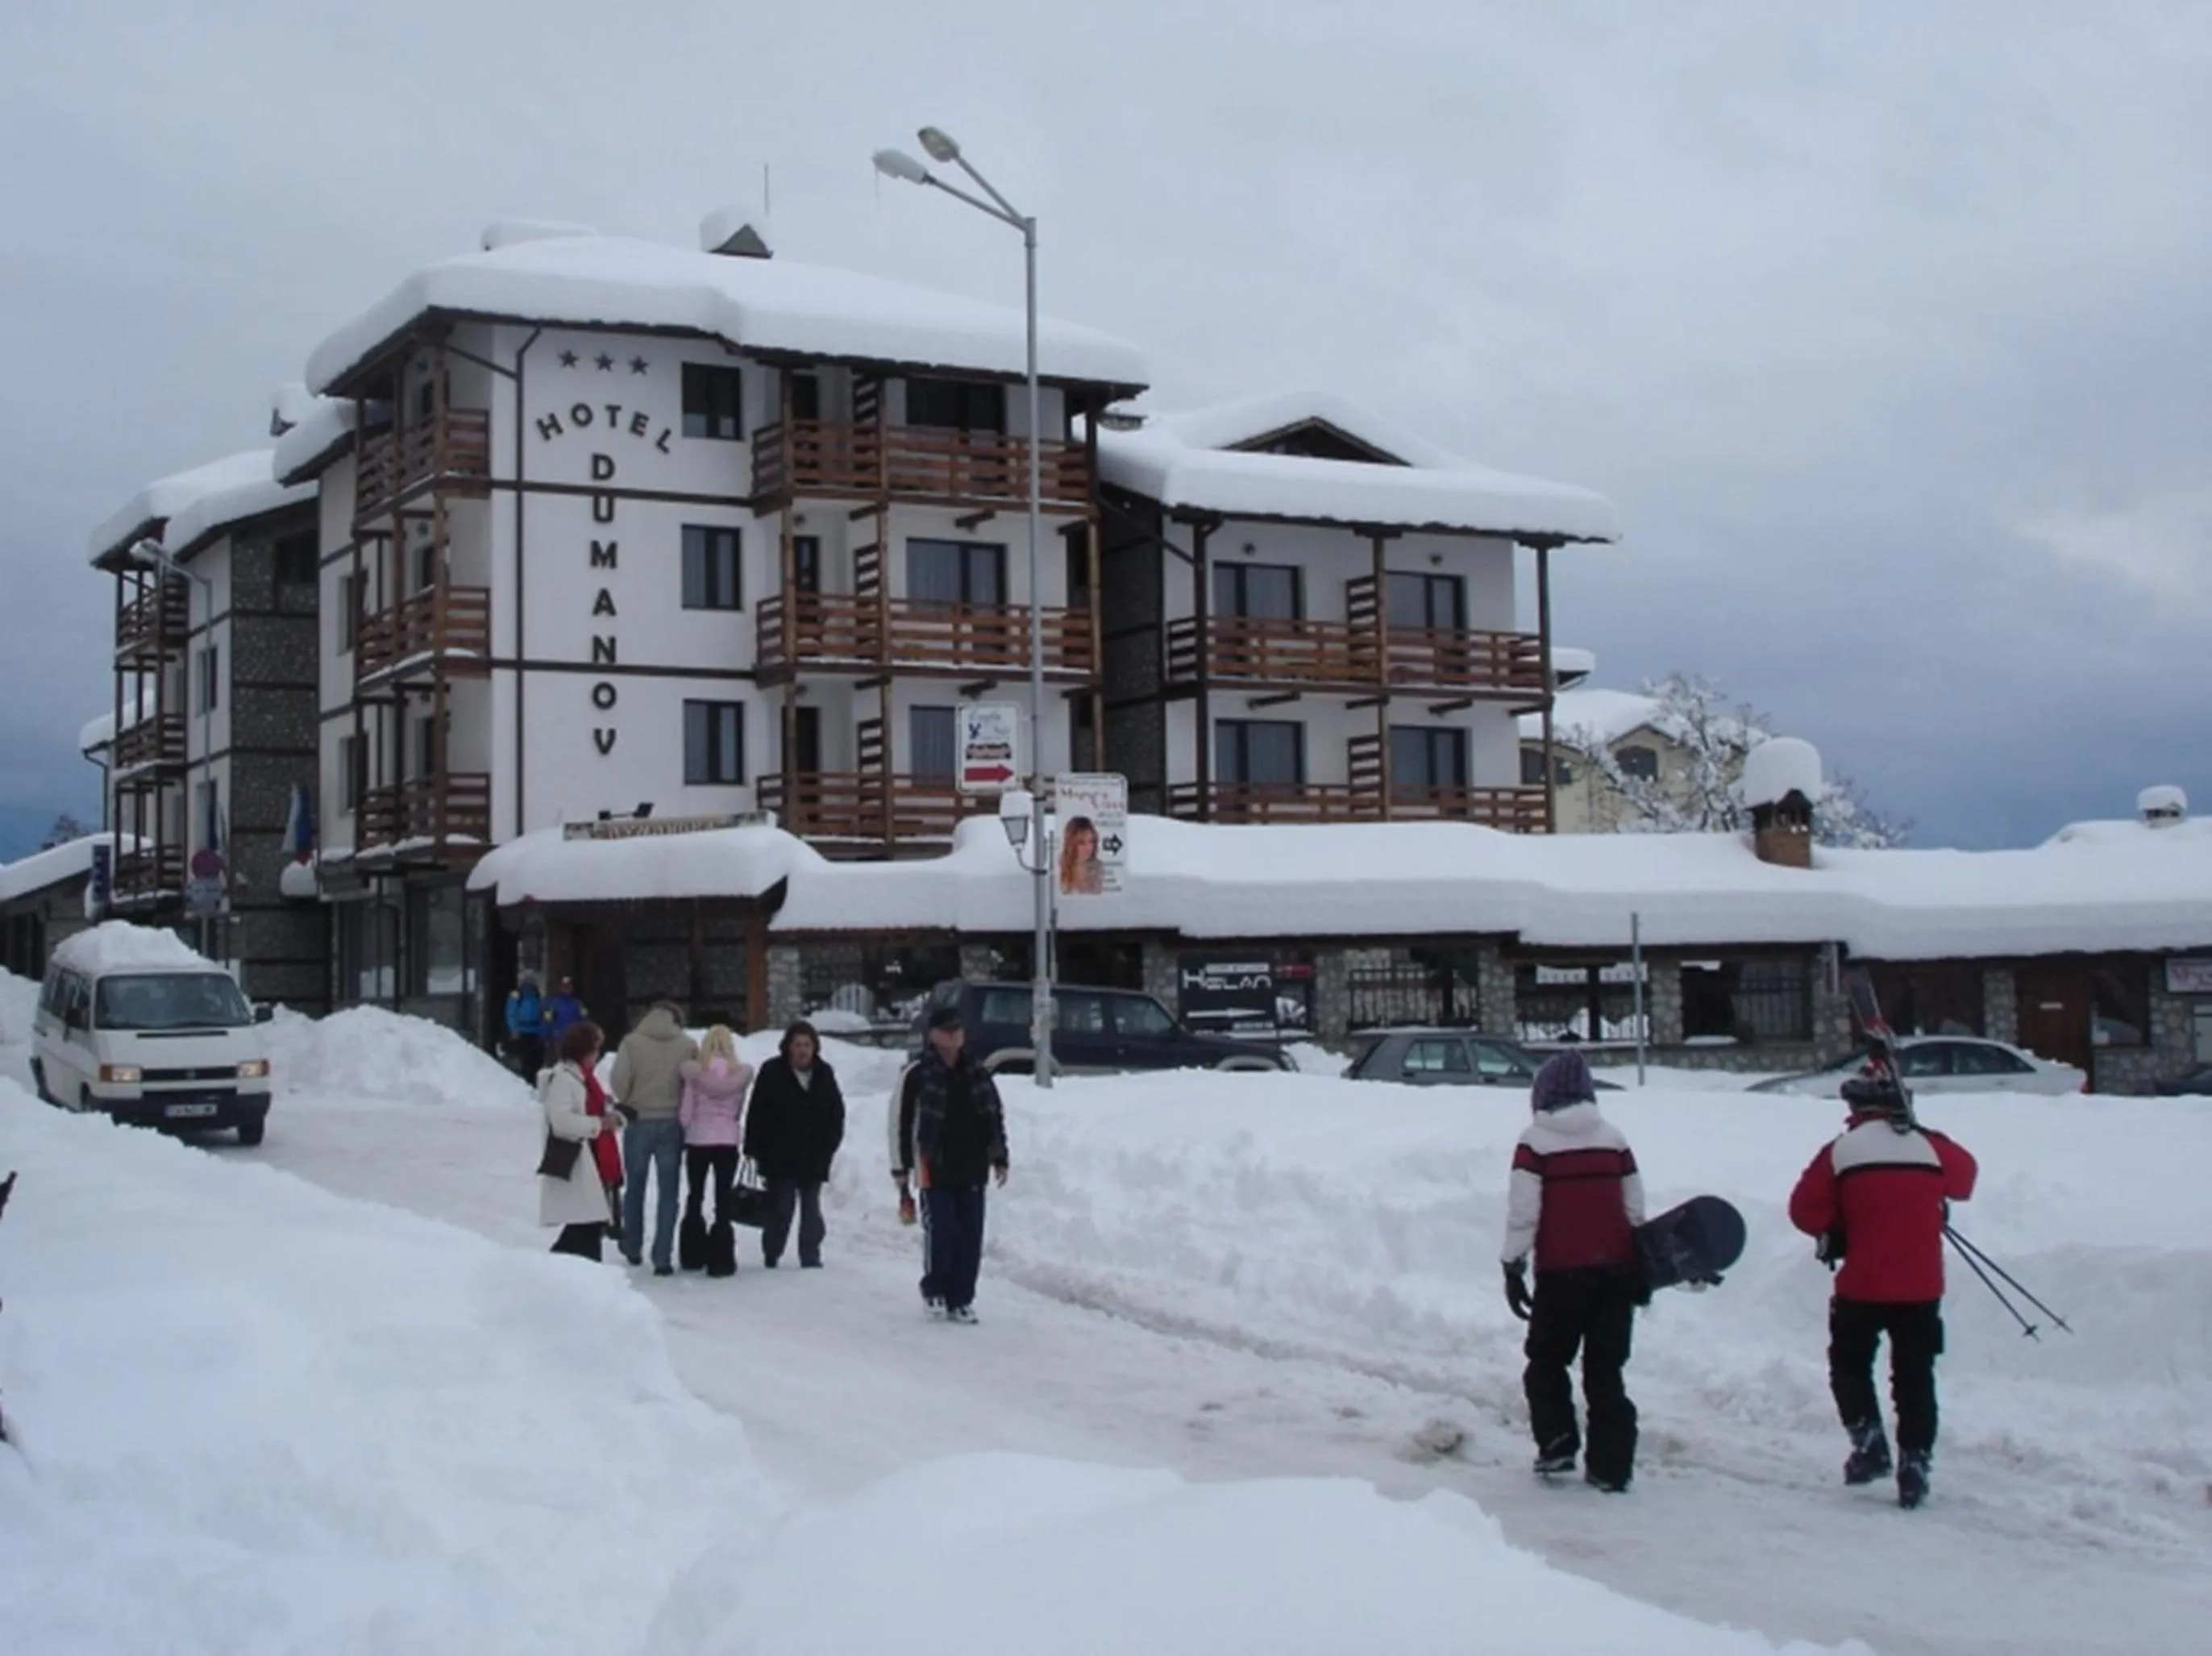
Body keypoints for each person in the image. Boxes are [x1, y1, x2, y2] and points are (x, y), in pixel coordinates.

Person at [1790, 1070, 1978, 1510]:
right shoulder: (1929, 1145)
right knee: (1915, 1376)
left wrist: (1837, 1225)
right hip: (1922, 1285)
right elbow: (1964, 1180)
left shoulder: (1843, 1150)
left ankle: (1868, 1441)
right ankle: (1915, 1464)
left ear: (1855, 1109)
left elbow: (1803, 1209)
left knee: (1849, 1363)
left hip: (1863, 1282)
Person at [1500, 1047, 1646, 1493]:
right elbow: (1634, 1209)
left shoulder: (1534, 1143)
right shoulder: (1615, 1140)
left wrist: (1512, 1263)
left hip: (1561, 1275)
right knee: (1606, 1370)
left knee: (1546, 1360)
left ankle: (1558, 1443)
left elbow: (1525, 1212)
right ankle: (1611, 1467)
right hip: (1616, 1273)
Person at [891, 1006, 1008, 1323]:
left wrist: (999, 1157)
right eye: (946, 1030)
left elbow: (992, 1116)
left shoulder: (977, 1072)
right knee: (942, 1229)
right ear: (933, 1035)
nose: (954, 1035)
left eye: (958, 1029)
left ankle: (962, 1297)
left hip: (972, 1164)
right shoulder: (918, 1073)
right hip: (934, 1164)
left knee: (970, 1235)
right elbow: (901, 1123)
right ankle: (935, 1290)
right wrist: (901, 1168)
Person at [745, 1019, 848, 1269]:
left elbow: (836, 1113)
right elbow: (757, 1111)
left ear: (815, 1048)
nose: (803, 1050)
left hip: (814, 1153)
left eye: (807, 1045)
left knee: (811, 1208)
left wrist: (830, 1145)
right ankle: (773, 1251)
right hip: (779, 1153)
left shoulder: (825, 1074)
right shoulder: (772, 1071)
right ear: (788, 1047)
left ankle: (810, 1255)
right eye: (798, 1044)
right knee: (782, 1207)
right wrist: (753, 1147)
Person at [609, 1001, 697, 1275]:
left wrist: (628, 1099)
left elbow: (619, 1081)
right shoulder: (686, 1044)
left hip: (638, 1120)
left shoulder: (632, 1043)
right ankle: (663, 1256)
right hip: (672, 1122)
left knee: (635, 1187)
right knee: (669, 1192)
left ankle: (633, 1245)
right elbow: (694, 1083)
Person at [538, 1021, 621, 1261]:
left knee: (588, 1224)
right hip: (577, 1157)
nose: (598, 1055)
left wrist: (613, 1116)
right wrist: (599, 1124)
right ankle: (568, 1274)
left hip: (591, 1156)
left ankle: (578, 1275)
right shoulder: (565, 1079)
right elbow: (561, 1121)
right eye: (595, 1049)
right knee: (586, 1224)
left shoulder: (582, 1078)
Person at [676, 1026, 753, 1277]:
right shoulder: (739, 1076)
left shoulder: (695, 1075)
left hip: (698, 1140)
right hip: (727, 1142)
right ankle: (721, 1259)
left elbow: (686, 1113)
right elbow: (738, 1110)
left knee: (695, 1196)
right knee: (723, 1200)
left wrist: (688, 1128)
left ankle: (692, 1254)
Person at [505, 971, 546, 1076]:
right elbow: (511, 1012)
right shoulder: (517, 995)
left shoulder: (537, 995)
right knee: (525, 1061)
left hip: (535, 1032)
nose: (529, 983)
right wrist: (514, 1029)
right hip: (522, 1032)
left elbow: (542, 1013)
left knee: (535, 1060)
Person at [1058, 815, 1104, 896]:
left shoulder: (1100, 868)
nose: (1088, 848)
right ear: (1071, 844)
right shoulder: (1059, 868)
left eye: (1091, 841)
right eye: (1081, 843)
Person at [544, 976, 588, 1046]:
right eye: (565, 986)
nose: (567, 989)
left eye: (569, 986)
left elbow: (584, 1019)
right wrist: (547, 1035)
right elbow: (548, 1019)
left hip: (573, 1036)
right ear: (561, 987)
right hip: (559, 1036)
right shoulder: (553, 1003)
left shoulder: (578, 1003)